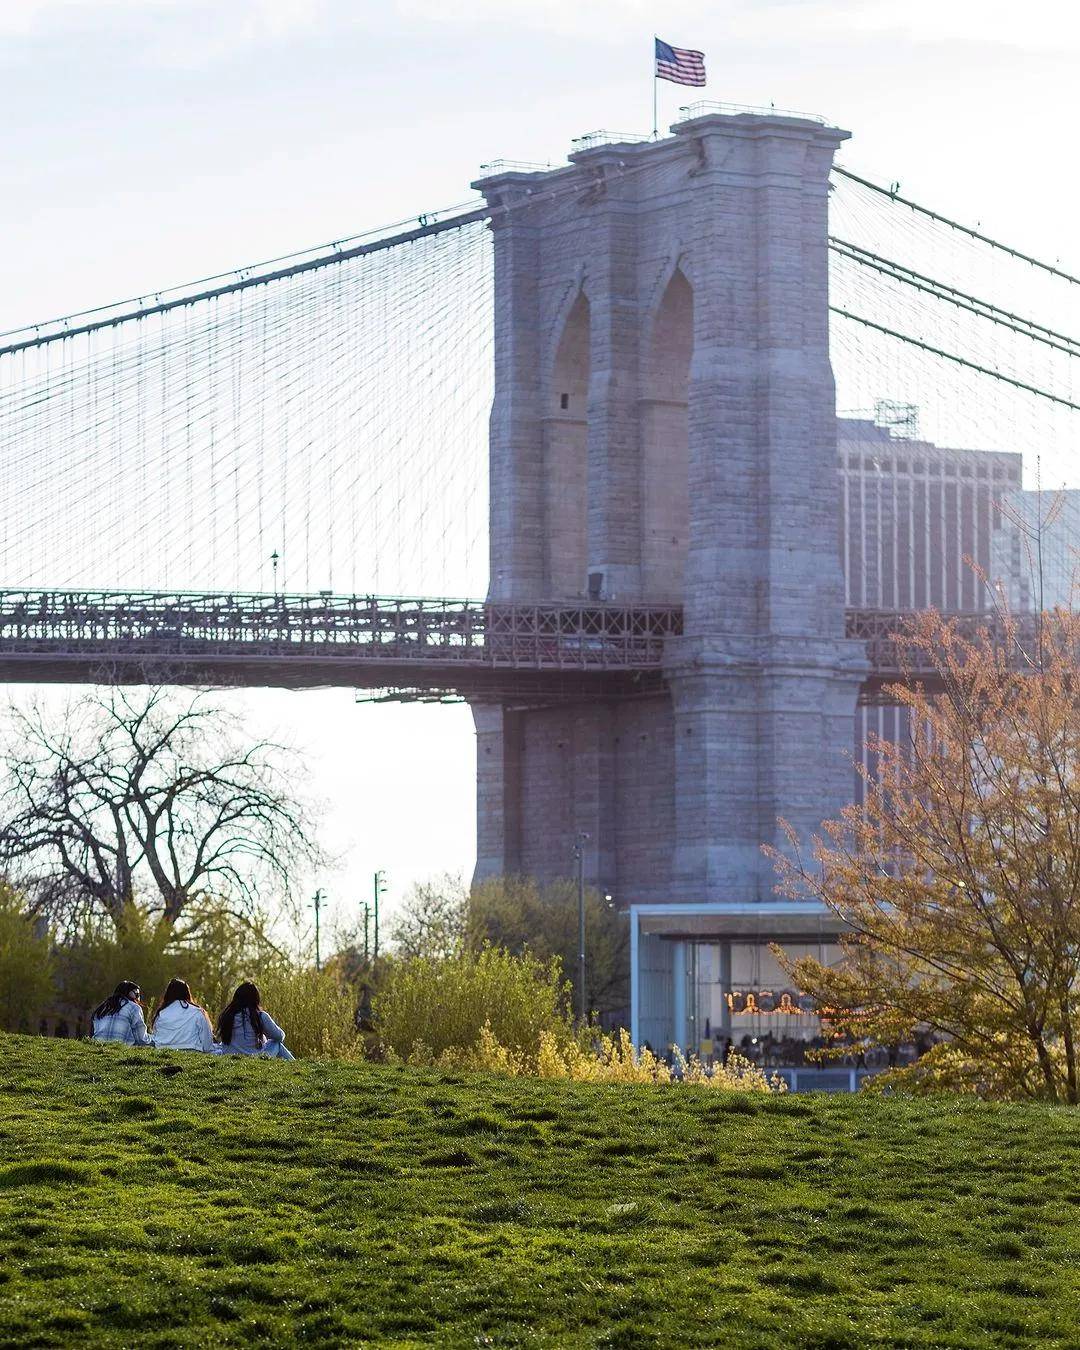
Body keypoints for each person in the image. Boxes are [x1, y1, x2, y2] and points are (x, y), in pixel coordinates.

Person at [216, 982, 294, 1060]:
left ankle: (296, 1066)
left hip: (230, 1058)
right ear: (256, 999)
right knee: (276, 1044)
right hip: (254, 1059)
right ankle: (296, 1066)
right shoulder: (259, 1016)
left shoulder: (226, 1016)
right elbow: (279, 1036)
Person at [152, 978, 215, 1053]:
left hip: (163, 1053)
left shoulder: (160, 1014)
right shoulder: (197, 1012)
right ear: (187, 993)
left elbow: (155, 1036)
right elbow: (207, 1045)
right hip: (192, 1053)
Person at [91, 980, 152, 1046]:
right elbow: (141, 1040)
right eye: (137, 994)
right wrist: (156, 1041)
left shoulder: (103, 1008)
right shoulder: (134, 1008)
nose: (138, 997)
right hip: (121, 1050)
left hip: (98, 1048)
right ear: (132, 994)